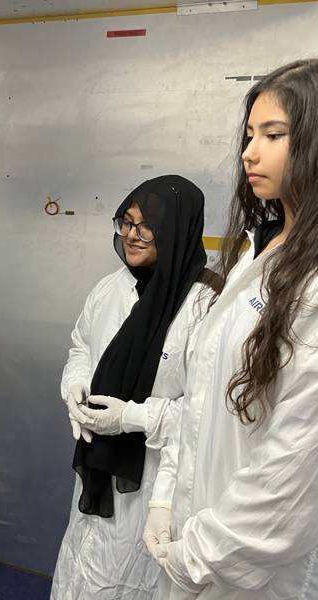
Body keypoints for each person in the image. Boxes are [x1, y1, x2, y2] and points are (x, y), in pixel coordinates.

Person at [145, 56, 318, 600]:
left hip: (262, 576)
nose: (249, 151)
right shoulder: (261, 250)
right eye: (251, 134)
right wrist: (166, 498)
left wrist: (196, 557)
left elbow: (296, 475)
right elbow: (203, 395)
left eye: (273, 134)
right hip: (203, 545)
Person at [52, 175, 217, 599]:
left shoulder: (205, 306)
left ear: (177, 229)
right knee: (82, 566)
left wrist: (131, 418)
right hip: (97, 466)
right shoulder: (111, 287)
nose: (131, 236)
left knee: (135, 580)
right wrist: (74, 385)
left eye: (147, 226)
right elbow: (81, 346)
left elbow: (208, 415)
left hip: (157, 479)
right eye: (125, 222)